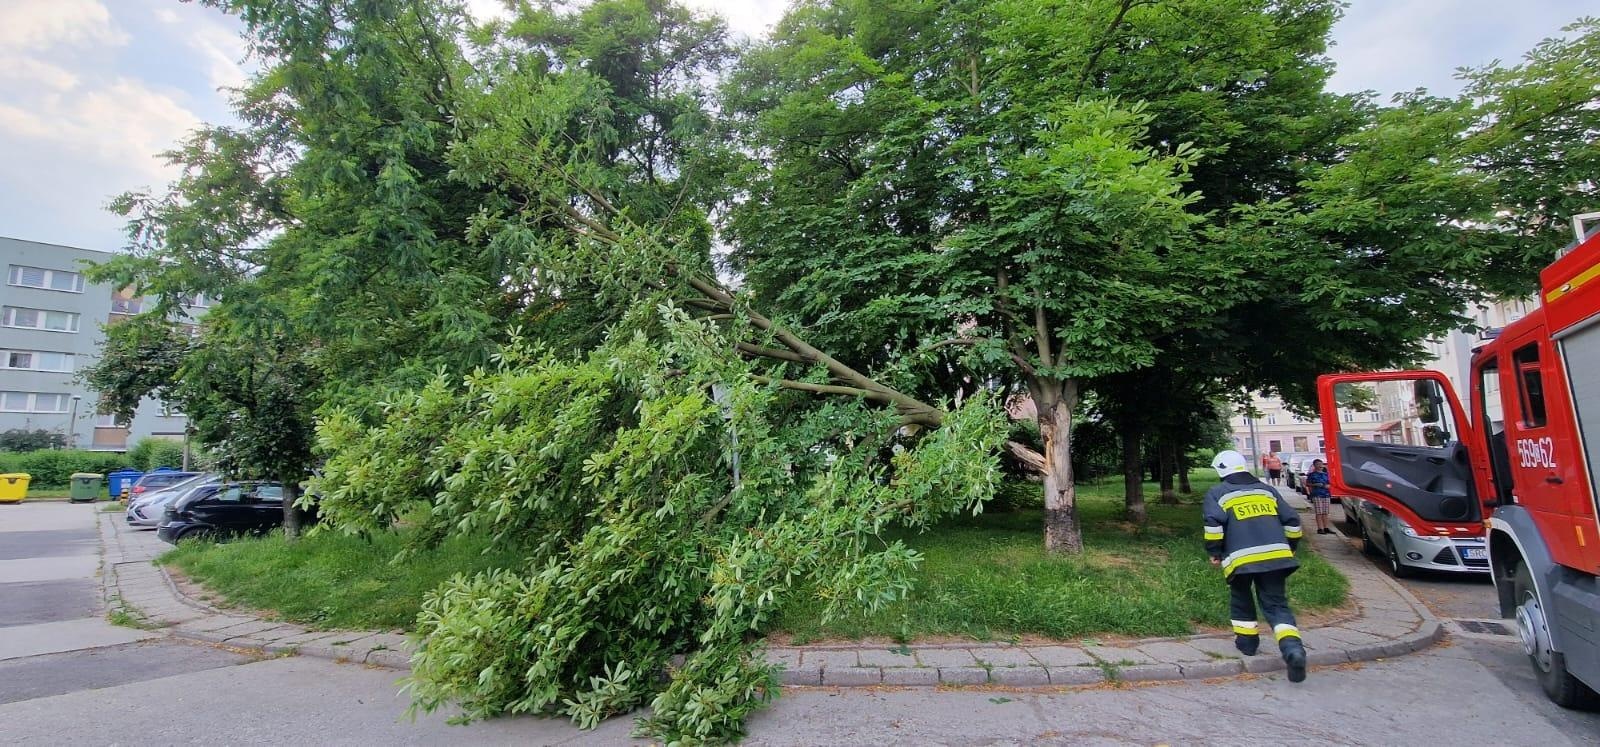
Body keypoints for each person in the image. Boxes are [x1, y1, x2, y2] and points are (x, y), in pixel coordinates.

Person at [1203, 450, 1308, 683]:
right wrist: (1290, 547)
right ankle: (1293, 649)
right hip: (1277, 558)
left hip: (1240, 560)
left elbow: (1213, 525)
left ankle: (1248, 644)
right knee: (1277, 604)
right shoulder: (1267, 490)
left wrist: (1214, 552)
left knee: (1241, 599)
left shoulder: (1218, 493)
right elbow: (1292, 521)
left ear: (1221, 469)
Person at [1304, 459, 1333, 535]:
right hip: (1317, 494)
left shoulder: (1326, 474)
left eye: (1321, 464)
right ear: (1314, 465)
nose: (1320, 465)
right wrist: (1315, 485)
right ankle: (1320, 528)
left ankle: (1326, 527)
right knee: (1319, 512)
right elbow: (1307, 484)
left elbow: (1331, 484)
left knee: (1325, 512)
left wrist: (1328, 486)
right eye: (1318, 464)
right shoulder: (1312, 475)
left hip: (1326, 494)